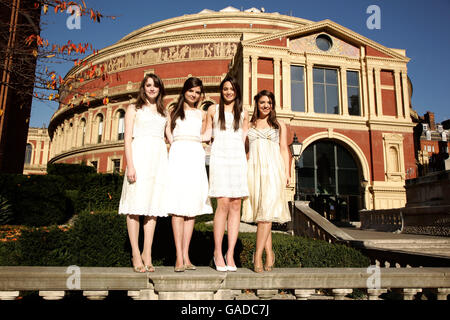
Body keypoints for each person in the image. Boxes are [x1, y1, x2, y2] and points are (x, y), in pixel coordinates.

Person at [118, 73, 168, 273]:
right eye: (148, 85)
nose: (152, 88)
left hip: (158, 160)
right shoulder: (133, 108)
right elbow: (127, 138)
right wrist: (130, 165)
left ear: (160, 88)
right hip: (139, 157)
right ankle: (136, 253)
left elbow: (171, 136)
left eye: (155, 85)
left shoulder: (165, 111)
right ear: (143, 87)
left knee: (152, 209)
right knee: (135, 207)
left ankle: (148, 252)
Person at [165, 77, 212, 272]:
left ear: (201, 95)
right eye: (191, 90)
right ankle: (178, 256)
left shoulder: (201, 114)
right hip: (178, 154)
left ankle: (186, 255)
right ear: (185, 91)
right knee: (177, 206)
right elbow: (167, 131)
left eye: (197, 92)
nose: (194, 94)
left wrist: (198, 139)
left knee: (191, 208)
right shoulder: (173, 111)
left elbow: (208, 134)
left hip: (195, 154)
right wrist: (174, 142)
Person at [242, 90, 291, 273]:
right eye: (262, 102)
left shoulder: (279, 125)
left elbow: (284, 150)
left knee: (265, 215)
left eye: (269, 102)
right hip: (254, 171)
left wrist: (286, 173)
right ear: (257, 104)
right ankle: (270, 252)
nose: (266, 105)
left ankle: (257, 256)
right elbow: (246, 152)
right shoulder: (250, 125)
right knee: (263, 214)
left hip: (273, 171)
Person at [203, 75, 249, 272]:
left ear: (236, 91)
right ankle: (217, 252)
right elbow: (205, 134)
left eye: (231, 88)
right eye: (225, 89)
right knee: (222, 203)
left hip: (237, 159)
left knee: (236, 204)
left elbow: (245, 138)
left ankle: (230, 253)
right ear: (221, 91)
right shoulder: (213, 110)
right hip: (220, 158)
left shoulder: (243, 112)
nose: (228, 92)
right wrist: (183, 137)